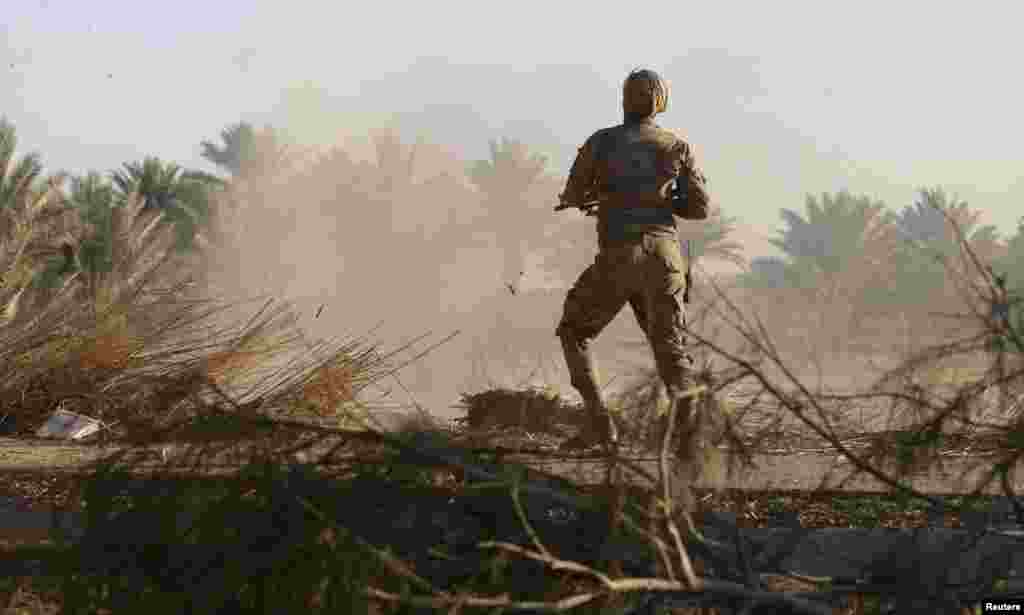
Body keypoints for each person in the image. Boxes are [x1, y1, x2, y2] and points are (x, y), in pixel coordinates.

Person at [554, 68, 709, 451]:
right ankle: (687, 439)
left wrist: (595, 199)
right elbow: (699, 206)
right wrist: (664, 201)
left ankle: (599, 425)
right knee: (670, 345)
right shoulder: (677, 146)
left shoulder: (601, 142)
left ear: (624, 99)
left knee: (574, 332)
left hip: (619, 253)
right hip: (665, 257)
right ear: (661, 102)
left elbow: (573, 194)